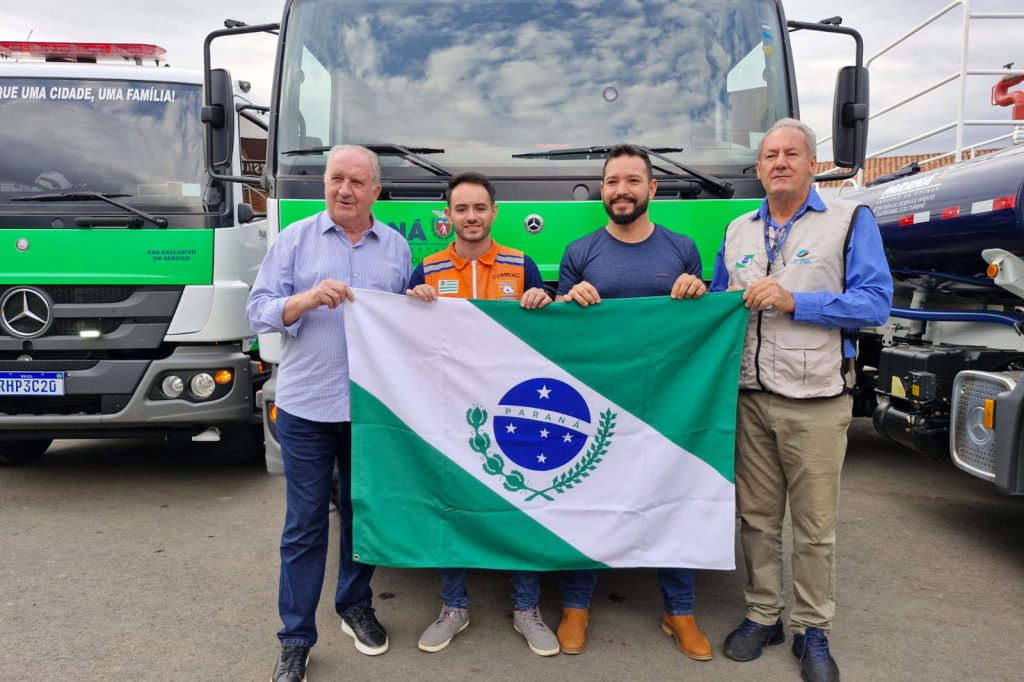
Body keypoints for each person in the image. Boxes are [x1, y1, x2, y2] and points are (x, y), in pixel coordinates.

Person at [708, 118, 892, 682]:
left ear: (813, 163)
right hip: (750, 396)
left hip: (815, 398)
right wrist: (697, 294)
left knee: (814, 525)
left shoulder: (849, 219)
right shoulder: (737, 229)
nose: (780, 162)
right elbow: (719, 304)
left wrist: (795, 302)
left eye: (792, 153)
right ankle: (763, 615)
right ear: (759, 168)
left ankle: (813, 629)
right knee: (757, 519)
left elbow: (874, 304)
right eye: (770, 155)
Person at [247, 145, 412, 682]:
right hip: (307, 407)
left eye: (357, 182)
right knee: (304, 524)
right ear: (326, 183)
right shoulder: (294, 240)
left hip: (369, 410)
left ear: (376, 191)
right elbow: (259, 310)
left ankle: (354, 606)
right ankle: (295, 638)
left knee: (362, 515)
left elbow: (404, 321)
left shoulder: (396, 249)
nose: (345, 190)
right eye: (336, 178)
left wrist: (421, 300)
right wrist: (306, 300)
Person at [555, 143, 710, 660]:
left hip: (670, 406)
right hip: (599, 406)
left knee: (676, 501)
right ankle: (576, 606)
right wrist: (565, 299)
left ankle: (679, 611)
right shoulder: (580, 252)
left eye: (631, 181)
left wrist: (698, 289)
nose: (621, 190)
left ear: (652, 188)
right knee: (588, 500)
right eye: (612, 182)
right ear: (603, 190)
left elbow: (702, 324)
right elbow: (559, 335)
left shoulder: (683, 248)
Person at [406, 171, 557, 656]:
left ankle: (526, 608)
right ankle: (454, 606)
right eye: (461, 209)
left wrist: (543, 300)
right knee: (452, 503)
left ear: (494, 212)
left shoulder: (521, 265)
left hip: (514, 412)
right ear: (447, 216)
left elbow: (548, 340)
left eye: (479, 208)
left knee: (523, 501)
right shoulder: (426, 270)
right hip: (449, 411)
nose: (470, 217)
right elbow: (402, 339)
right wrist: (411, 303)